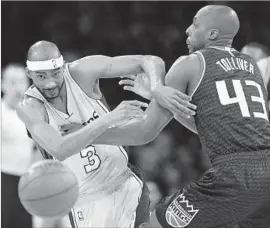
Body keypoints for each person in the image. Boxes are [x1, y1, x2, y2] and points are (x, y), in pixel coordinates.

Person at [89, 5, 270, 228]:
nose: (187, 29)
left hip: (234, 175)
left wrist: (88, 134)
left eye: (195, 24)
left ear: (212, 34)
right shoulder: (251, 66)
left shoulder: (190, 63)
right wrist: (162, 101)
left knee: (153, 225)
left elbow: (143, 132)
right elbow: (217, 127)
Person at [16, 41, 196, 228]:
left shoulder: (82, 71)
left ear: (63, 66)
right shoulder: (29, 107)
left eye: (55, 73)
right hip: (83, 201)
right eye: (41, 76)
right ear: (29, 74)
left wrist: (157, 88)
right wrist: (108, 119)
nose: (50, 82)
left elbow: (149, 61)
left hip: (123, 183)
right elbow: (60, 149)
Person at [1, 64, 36, 228]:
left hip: (25, 183)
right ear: (2, 84)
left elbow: (36, 150)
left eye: (21, 82)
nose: (17, 88)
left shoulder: (31, 114)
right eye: (12, 82)